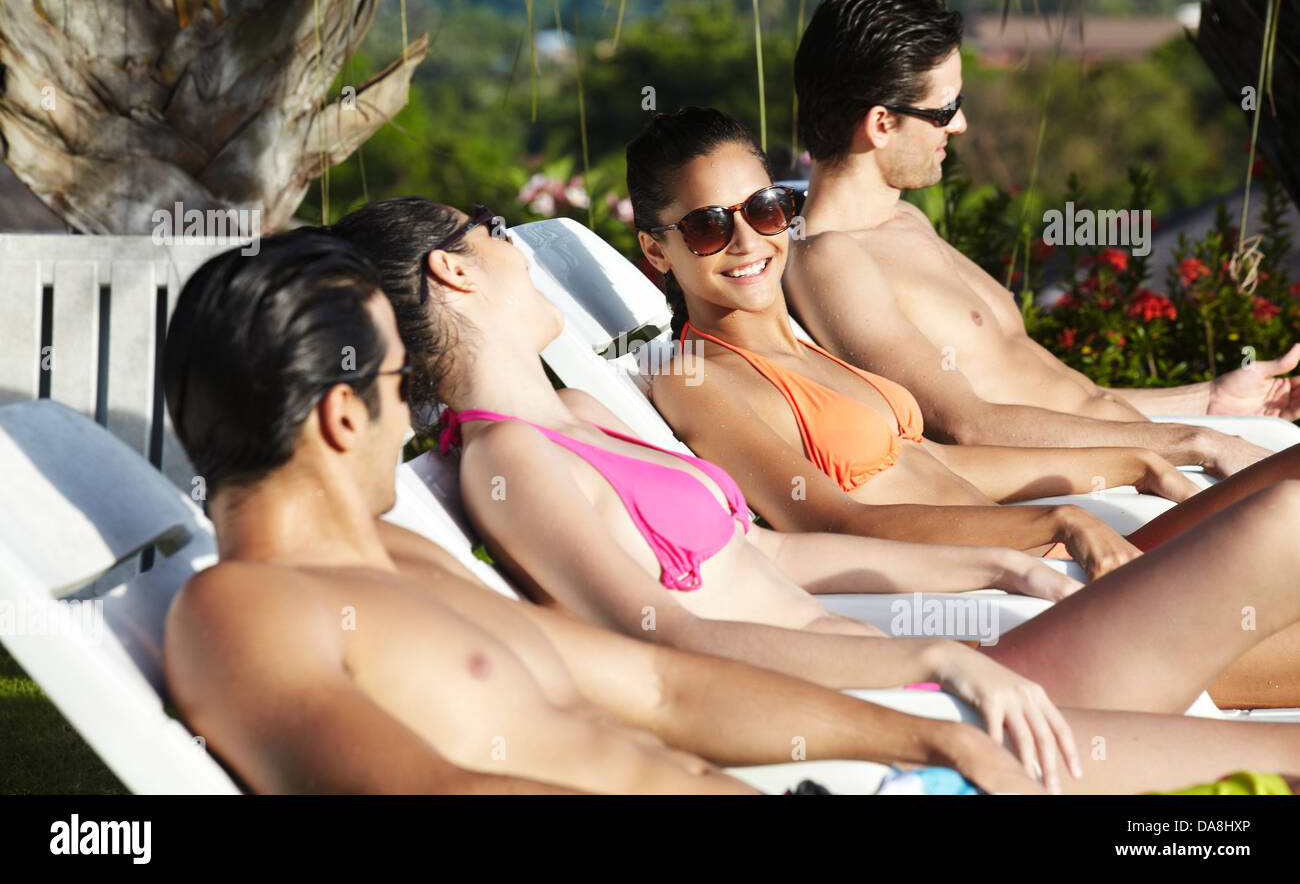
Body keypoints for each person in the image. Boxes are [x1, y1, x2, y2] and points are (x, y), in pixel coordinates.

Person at [327, 197, 1300, 790]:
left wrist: (993, 559)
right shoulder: (512, 462)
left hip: (946, 656)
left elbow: (773, 555)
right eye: (494, 235)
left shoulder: (582, 406)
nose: (517, 248)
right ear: (453, 270)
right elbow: (666, 641)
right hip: (913, 699)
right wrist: (929, 654)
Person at [161, 229, 1072, 795]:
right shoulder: (241, 608)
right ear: (342, 412)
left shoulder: (398, 557)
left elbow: (660, 688)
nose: (412, 416)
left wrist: (932, 733)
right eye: (403, 383)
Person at [625, 105, 1300, 708]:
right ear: (657, 248)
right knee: (1282, 522)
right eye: (709, 226)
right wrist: (1055, 520)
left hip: (1051, 552)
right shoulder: (699, 379)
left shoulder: (798, 345)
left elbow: (940, 461)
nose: (747, 242)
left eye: (764, 208)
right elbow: (834, 522)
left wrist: (1134, 460)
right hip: (1011, 596)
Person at [783, 0, 1300, 483]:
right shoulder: (830, 257)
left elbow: (1064, 397)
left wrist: (1209, 401)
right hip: (1080, 490)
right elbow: (969, 427)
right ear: (881, 124)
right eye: (945, 110)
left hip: (1128, 456)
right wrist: (1199, 442)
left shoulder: (903, 221)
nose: (959, 125)